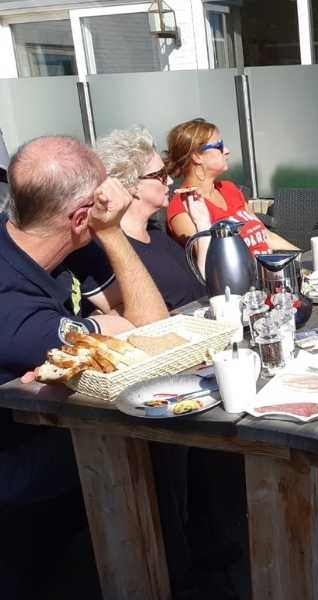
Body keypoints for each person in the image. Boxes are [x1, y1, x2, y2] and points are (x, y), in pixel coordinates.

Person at [0, 136, 171, 592]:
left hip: (53, 429)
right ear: (80, 216)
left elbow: (146, 321)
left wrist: (113, 323)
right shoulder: (11, 305)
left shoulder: (57, 240)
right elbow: (152, 336)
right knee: (164, 440)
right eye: (103, 198)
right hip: (20, 473)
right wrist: (112, 232)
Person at [94, 126, 205, 310]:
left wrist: (202, 223)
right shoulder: (110, 248)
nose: (170, 181)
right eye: (161, 175)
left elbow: (199, 285)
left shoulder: (156, 233)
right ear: (132, 184)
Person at [164, 117, 295, 253]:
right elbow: (207, 258)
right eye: (219, 146)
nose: (226, 150)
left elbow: (267, 236)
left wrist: (301, 257)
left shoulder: (229, 189)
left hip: (272, 262)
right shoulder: (182, 207)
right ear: (197, 156)